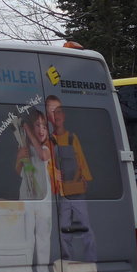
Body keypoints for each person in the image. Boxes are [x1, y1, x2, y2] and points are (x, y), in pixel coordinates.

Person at [45, 95, 98, 262]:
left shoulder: (71, 137)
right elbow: (47, 163)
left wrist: (86, 179)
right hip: (62, 193)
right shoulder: (49, 140)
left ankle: (92, 262)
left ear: (64, 115)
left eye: (59, 111)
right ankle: (68, 263)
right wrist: (53, 173)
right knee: (63, 230)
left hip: (77, 191)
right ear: (48, 116)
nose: (57, 115)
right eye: (53, 112)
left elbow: (81, 159)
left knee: (86, 227)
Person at [14, 109, 58, 272]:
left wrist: (29, 133)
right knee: (27, 239)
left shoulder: (47, 146)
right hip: (26, 199)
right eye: (37, 125)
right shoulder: (24, 147)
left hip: (43, 201)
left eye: (44, 127)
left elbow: (42, 156)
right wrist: (20, 155)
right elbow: (18, 171)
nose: (41, 130)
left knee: (43, 238)